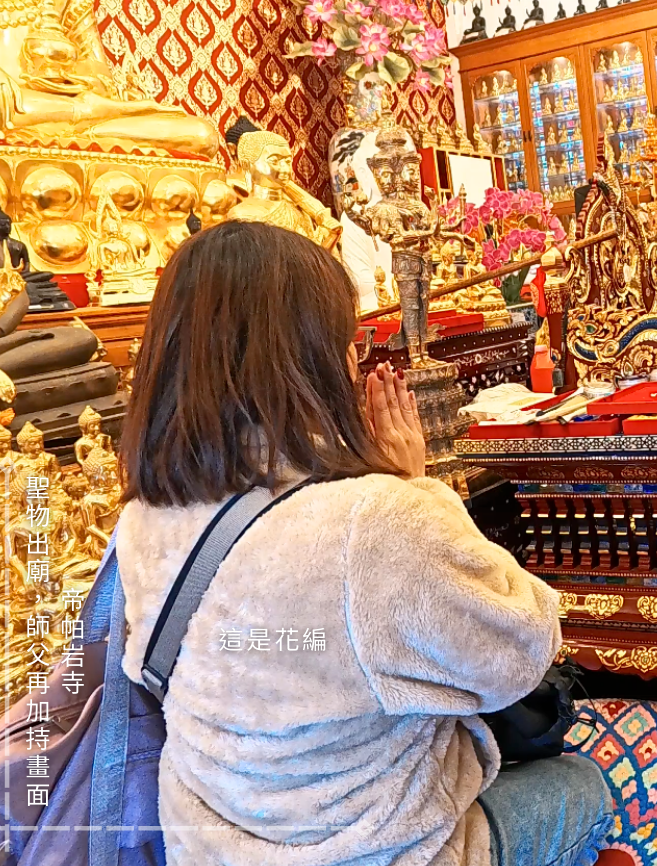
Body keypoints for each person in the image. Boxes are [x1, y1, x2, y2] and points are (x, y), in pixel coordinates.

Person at [115, 220, 615, 866]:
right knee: (582, 786)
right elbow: (519, 650)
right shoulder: (372, 521)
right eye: (347, 342)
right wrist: (418, 487)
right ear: (307, 361)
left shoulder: (142, 517)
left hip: (210, 848)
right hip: (377, 851)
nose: (355, 363)